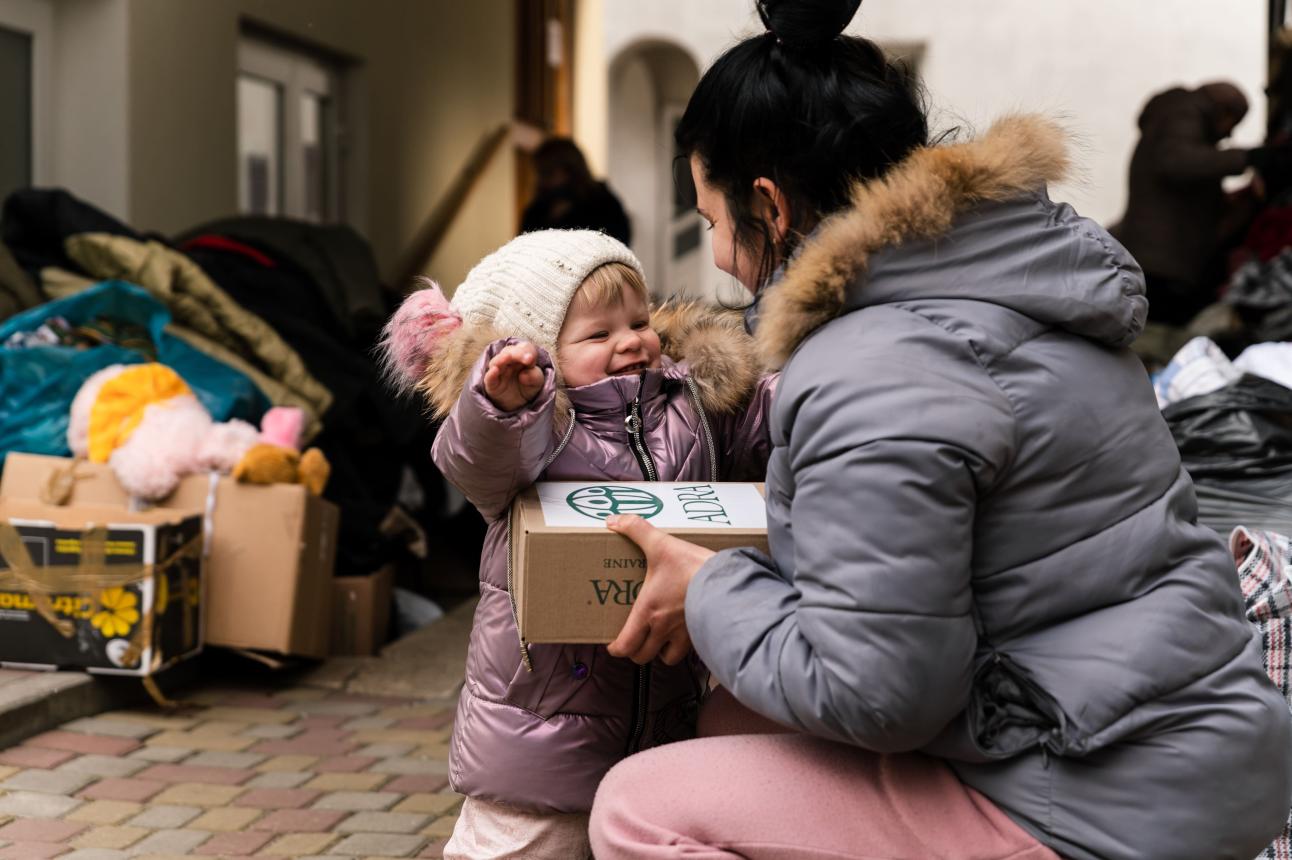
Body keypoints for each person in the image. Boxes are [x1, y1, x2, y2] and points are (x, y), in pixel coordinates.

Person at [586, 2, 1292, 859]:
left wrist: (708, 592)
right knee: (737, 712)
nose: (723, 258)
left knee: (637, 808)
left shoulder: (871, 365)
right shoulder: (1021, 287)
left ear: (769, 206)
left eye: (713, 223)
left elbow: (882, 696)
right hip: (1197, 745)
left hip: (1104, 798)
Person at [378, 229, 776, 860]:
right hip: (540, 735)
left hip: (660, 716)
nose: (631, 342)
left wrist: (811, 389)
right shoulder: (541, 427)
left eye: (640, 321)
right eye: (598, 334)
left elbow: (765, 423)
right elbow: (476, 458)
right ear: (542, 353)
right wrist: (502, 402)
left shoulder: (687, 402)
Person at [1114, 81, 1287, 325]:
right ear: (1224, 111)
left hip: (1159, 257)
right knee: (1155, 329)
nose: (1229, 134)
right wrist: (1246, 157)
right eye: (1233, 123)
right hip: (1163, 259)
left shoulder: (1182, 125)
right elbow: (1176, 163)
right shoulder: (1183, 112)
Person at [520, 138, 633, 245]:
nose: (542, 180)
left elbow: (619, 244)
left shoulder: (603, 204)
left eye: (548, 173)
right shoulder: (538, 209)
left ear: (571, 171)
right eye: (540, 173)